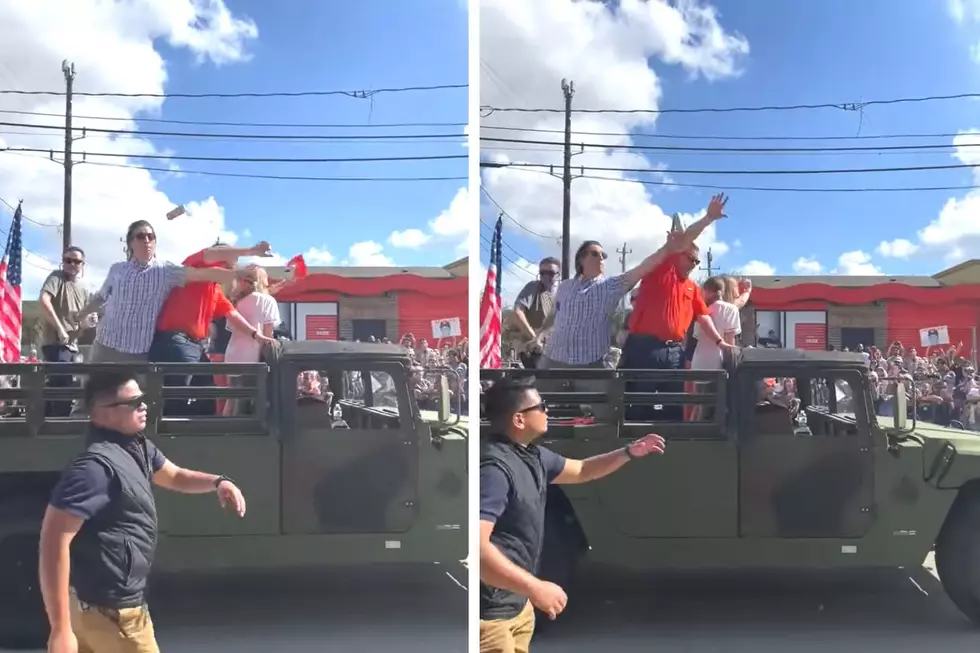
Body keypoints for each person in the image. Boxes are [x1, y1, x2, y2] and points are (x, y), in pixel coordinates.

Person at [38, 371, 246, 653]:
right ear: (101, 414)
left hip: (104, 610)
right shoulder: (95, 468)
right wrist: (61, 629)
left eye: (143, 399)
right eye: (134, 402)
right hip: (114, 616)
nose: (144, 406)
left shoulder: (137, 446)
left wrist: (217, 482)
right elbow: (53, 541)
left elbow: (174, 476)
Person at [479, 377, 665, 653]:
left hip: (517, 610)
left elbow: (581, 470)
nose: (547, 411)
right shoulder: (494, 469)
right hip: (491, 619)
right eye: (541, 406)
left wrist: (628, 452)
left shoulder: (532, 455)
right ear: (519, 420)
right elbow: (477, 548)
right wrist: (536, 588)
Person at [623, 193, 733, 421]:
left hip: (674, 351)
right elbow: (683, 241)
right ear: (677, 256)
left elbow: (703, 317)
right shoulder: (661, 271)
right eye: (691, 259)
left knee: (673, 407)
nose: (694, 265)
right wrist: (708, 219)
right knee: (636, 407)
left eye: (697, 262)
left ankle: (670, 448)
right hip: (645, 348)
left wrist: (720, 342)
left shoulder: (692, 287)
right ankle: (633, 450)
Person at [82, 220, 244, 363]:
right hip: (105, 345)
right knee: (91, 395)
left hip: (138, 353)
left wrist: (238, 273)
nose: (146, 240)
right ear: (131, 243)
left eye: (150, 237)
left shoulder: (166, 270)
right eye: (141, 236)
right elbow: (100, 297)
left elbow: (198, 274)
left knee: (137, 397)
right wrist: (81, 314)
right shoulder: (117, 269)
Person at [38, 246, 98, 416]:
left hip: (72, 346)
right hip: (56, 344)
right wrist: (59, 328)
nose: (72, 264)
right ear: (62, 262)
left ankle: (56, 427)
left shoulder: (84, 289)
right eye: (68, 260)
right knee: (60, 387)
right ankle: (53, 429)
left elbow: (82, 321)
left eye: (77, 261)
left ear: (82, 265)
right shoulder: (56, 277)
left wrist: (89, 322)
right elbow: (43, 300)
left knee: (65, 388)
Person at [222, 265, 280, 416]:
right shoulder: (268, 301)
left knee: (232, 398)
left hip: (233, 353)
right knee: (248, 399)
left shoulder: (237, 301)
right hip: (252, 355)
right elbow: (268, 335)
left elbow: (232, 328)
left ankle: (223, 431)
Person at [513, 257, 560, 369]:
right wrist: (534, 338)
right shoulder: (534, 287)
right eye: (542, 273)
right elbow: (517, 312)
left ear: (558, 274)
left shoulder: (563, 291)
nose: (546, 276)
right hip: (534, 351)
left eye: (551, 273)